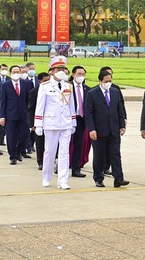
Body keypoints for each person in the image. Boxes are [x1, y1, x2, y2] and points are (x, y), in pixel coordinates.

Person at [34, 56, 76, 189]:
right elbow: (40, 106)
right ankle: (46, 177)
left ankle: (63, 180)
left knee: (64, 153)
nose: (61, 71)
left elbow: (71, 105)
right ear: (52, 71)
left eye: (63, 68)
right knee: (50, 152)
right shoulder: (45, 86)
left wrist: (73, 121)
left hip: (65, 123)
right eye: (58, 68)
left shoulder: (68, 85)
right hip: (51, 123)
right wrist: (38, 123)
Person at [85, 70, 129, 188]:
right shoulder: (92, 93)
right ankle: (98, 178)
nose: (108, 83)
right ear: (100, 81)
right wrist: (92, 129)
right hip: (99, 131)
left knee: (115, 154)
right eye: (106, 81)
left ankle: (118, 178)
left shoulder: (115, 92)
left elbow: (119, 110)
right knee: (99, 155)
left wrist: (122, 125)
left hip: (113, 130)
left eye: (110, 81)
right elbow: (89, 113)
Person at [0, 65, 32, 165]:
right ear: (10, 73)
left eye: (18, 72)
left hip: (23, 115)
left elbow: (28, 100)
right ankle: (13, 156)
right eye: (14, 72)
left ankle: (18, 151)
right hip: (10, 115)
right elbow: (3, 101)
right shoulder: (5, 85)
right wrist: (2, 116)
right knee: (11, 137)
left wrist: (29, 114)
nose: (16, 74)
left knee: (24, 135)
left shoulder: (26, 84)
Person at [69, 66, 89, 178]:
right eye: (79, 74)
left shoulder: (87, 89)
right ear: (73, 74)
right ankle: (62, 164)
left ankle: (76, 168)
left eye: (83, 74)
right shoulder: (67, 87)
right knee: (65, 143)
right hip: (68, 118)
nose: (81, 76)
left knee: (78, 144)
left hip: (80, 119)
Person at [28, 72, 50, 170]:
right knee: (40, 142)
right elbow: (31, 108)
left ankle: (49, 160)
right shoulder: (34, 91)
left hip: (50, 120)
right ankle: (40, 161)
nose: (47, 82)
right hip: (39, 121)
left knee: (49, 142)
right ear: (40, 81)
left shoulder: (52, 90)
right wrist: (32, 123)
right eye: (45, 81)